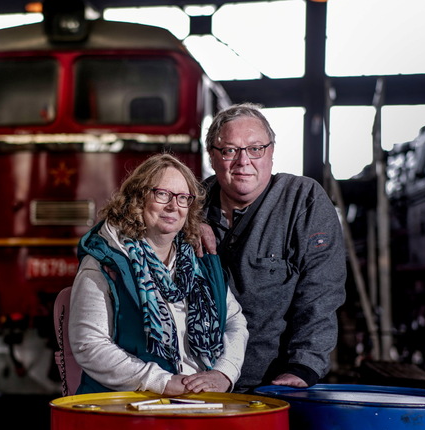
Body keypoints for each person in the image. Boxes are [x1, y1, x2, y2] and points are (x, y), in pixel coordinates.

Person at [69, 153, 249, 396]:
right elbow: (89, 345)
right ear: (137, 199)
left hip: (201, 400)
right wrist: (162, 382)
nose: (174, 206)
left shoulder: (200, 262)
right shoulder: (104, 261)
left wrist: (224, 373)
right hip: (129, 407)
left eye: (183, 198)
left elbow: (235, 322)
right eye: (162, 194)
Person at [200, 103, 347, 393]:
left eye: (255, 149)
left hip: (272, 385)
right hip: (196, 381)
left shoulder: (303, 201)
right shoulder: (187, 204)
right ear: (212, 157)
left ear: (271, 151)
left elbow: (321, 291)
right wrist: (189, 221)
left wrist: (304, 365)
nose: (243, 161)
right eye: (230, 150)